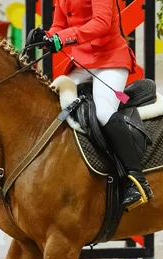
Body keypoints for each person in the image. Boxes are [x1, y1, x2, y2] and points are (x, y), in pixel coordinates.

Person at [26, 0, 153, 211]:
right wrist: (48, 36)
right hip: (82, 62)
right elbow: (59, 25)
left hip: (110, 59)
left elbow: (101, 23)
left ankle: (136, 179)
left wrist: (62, 38)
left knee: (103, 112)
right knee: (52, 104)